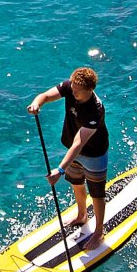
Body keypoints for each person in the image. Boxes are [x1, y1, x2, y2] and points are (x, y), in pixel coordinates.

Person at [28, 67, 110, 246]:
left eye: (77, 92)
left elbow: (79, 143)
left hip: (93, 154)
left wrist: (60, 170)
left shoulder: (95, 110)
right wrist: (37, 103)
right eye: (72, 89)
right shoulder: (70, 87)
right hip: (72, 152)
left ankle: (99, 232)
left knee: (97, 194)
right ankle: (82, 215)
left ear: (90, 90)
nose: (73, 94)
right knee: (76, 182)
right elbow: (45, 96)